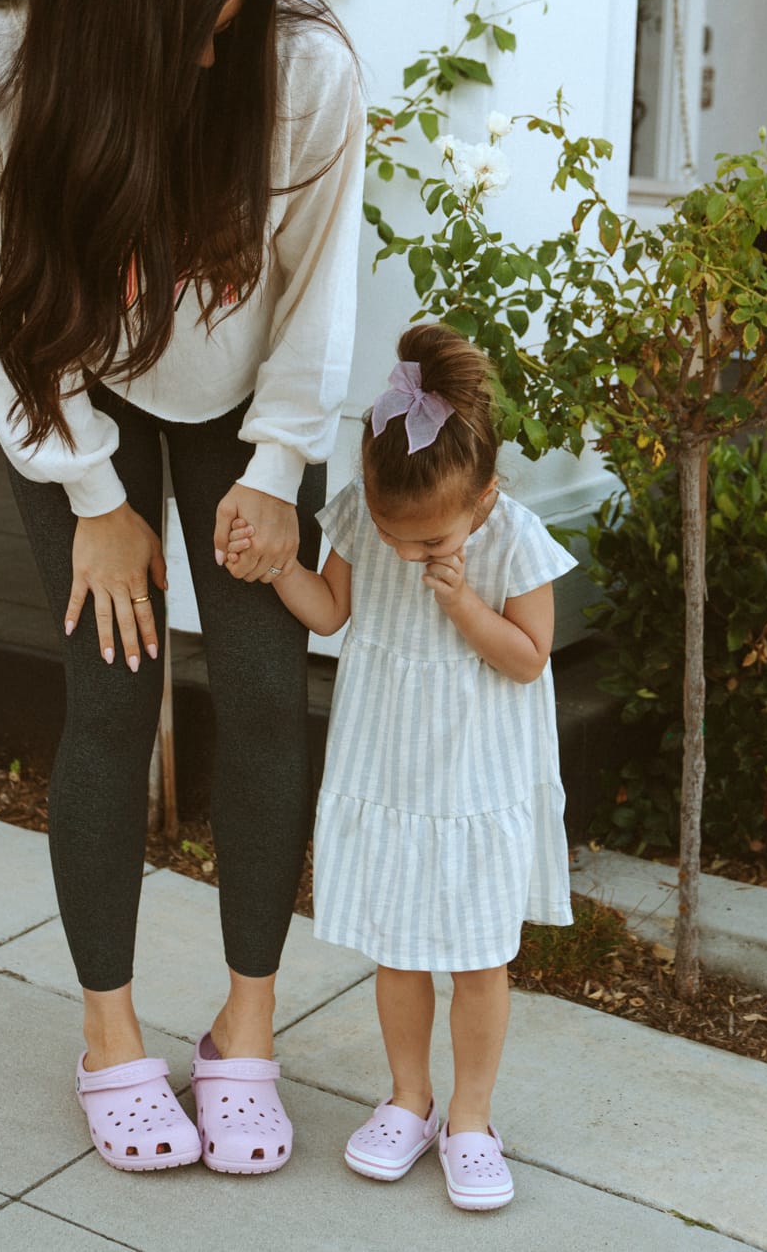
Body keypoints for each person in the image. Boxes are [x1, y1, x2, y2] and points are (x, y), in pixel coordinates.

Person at [0, 0, 364, 1176]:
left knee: (264, 679)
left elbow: (316, 292)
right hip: (74, 386)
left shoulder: (305, 72)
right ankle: (111, 1035)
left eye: (228, 26)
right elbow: (2, 313)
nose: (212, 61)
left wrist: (281, 467)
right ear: (111, 9)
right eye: (188, 35)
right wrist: (92, 493)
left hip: (247, 399)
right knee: (111, 686)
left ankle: (245, 1023)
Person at [229, 322, 574, 1210]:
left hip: (475, 784)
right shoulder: (363, 513)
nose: (407, 555)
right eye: (394, 536)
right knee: (399, 946)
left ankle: (470, 1115)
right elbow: (331, 609)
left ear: (487, 495)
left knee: (480, 957)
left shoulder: (516, 539)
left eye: (427, 544)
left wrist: (462, 604)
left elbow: (531, 656)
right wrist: (276, 569)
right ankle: (408, 1096)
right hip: (390, 768)